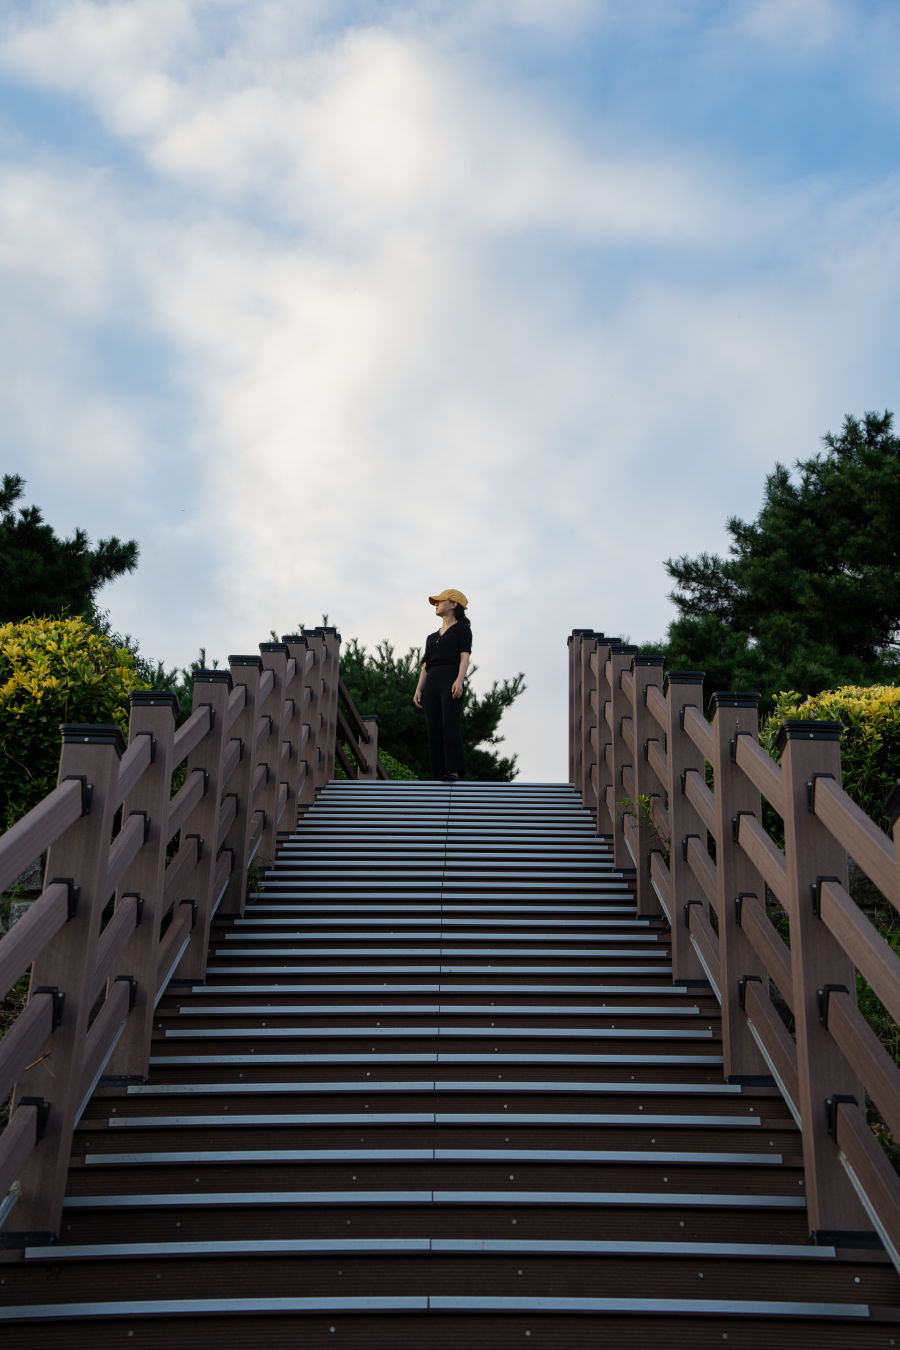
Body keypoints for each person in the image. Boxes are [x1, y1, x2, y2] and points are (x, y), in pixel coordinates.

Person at [413, 588, 471, 781]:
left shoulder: (462, 630)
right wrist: (419, 688)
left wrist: (459, 681)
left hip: (450, 678)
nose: (436, 604)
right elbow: (425, 666)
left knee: (449, 724)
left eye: (440, 601)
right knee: (434, 727)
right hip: (432, 682)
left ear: (453, 604)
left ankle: (453, 770)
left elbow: (465, 658)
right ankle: (438, 773)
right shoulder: (431, 637)